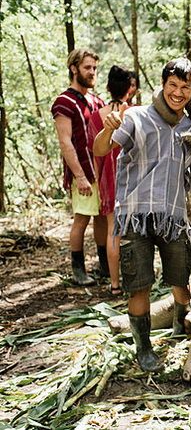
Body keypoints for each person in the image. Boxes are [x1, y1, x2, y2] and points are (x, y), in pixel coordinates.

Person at [94, 58, 191, 372]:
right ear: (164, 84)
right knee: (140, 286)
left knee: (180, 281)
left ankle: (180, 328)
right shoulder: (136, 116)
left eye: (185, 87)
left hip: (174, 215)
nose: (178, 92)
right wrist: (106, 129)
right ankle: (144, 348)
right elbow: (100, 150)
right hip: (135, 215)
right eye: (173, 85)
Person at [52, 48, 108, 286]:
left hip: (102, 172)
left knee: (103, 218)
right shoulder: (63, 102)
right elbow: (65, 142)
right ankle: (78, 270)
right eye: (87, 68)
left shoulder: (97, 101)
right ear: (74, 69)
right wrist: (80, 176)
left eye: (94, 68)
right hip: (83, 173)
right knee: (82, 219)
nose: (92, 72)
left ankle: (105, 266)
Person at [88, 66, 138, 295]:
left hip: (108, 178)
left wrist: (98, 181)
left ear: (108, 87)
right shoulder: (136, 112)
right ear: (130, 88)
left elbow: (95, 150)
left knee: (113, 231)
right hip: (134, 176)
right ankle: (137, 279)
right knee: (138, 229)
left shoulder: (97, 115)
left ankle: (115, 284)